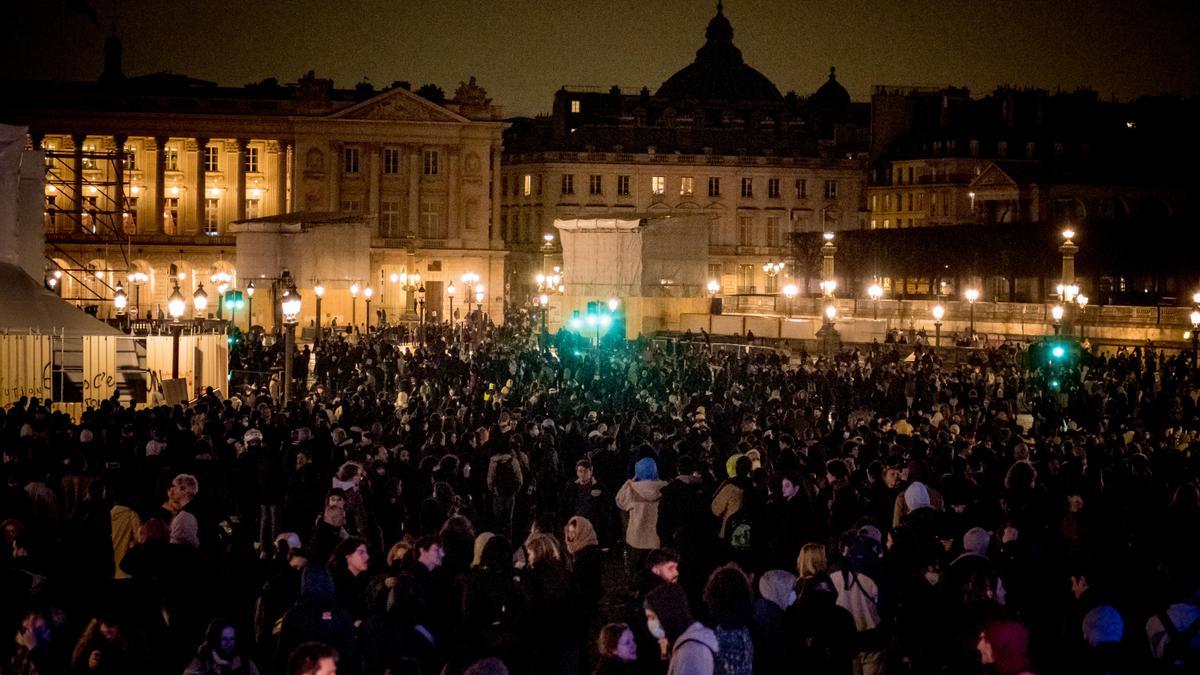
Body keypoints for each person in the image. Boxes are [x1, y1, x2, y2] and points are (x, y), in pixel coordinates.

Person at [645, 581, 717, 675]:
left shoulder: (691, 651)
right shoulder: (688, 645)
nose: (650, 623)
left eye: (652, 617)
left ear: (667, 614)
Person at [615, 457, 667, 577]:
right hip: (656, 536)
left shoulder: (632, 489)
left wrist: (630, 481)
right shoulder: (664, 487)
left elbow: (620, 501)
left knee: (638, 570)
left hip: (636, 536)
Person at [183, 619, 260, 675]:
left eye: (232, 639)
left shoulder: (246, 663)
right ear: (215, 639)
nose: (228, 643)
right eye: (224, 639)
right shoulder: (204, 660)